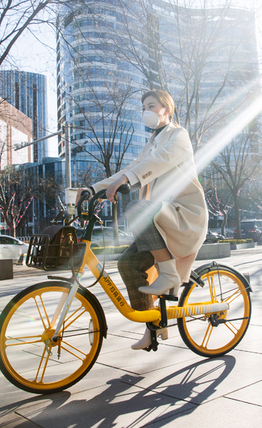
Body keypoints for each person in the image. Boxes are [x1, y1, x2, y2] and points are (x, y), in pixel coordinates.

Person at [77, 89, 207, 350]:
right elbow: (130, 169)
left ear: (166, 109)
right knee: (127, 265)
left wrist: (127, 180)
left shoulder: (178, 136)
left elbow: (159, 162)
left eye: (151, 105)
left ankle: (169, 274)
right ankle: (153, 327)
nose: (146, 111)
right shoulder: (152, 142)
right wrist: (93, 189)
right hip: (160, 221)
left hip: (183, 216)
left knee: (137, 207)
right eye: (144, 107)